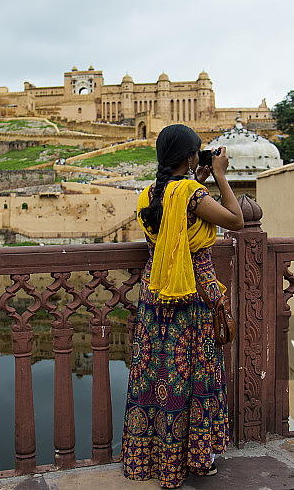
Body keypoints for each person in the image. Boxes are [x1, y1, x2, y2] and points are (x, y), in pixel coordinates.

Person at [122, 124, 244, 488]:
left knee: (158, 371)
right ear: (191, 157)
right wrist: (219, 177)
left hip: (156, 291)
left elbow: (174, 221)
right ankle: (196, 458)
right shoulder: (190, 193)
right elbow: (237, 220)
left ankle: (155, 459)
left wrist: (197, 180)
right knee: (196, 373)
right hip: (193, 292)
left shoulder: (148, 194)